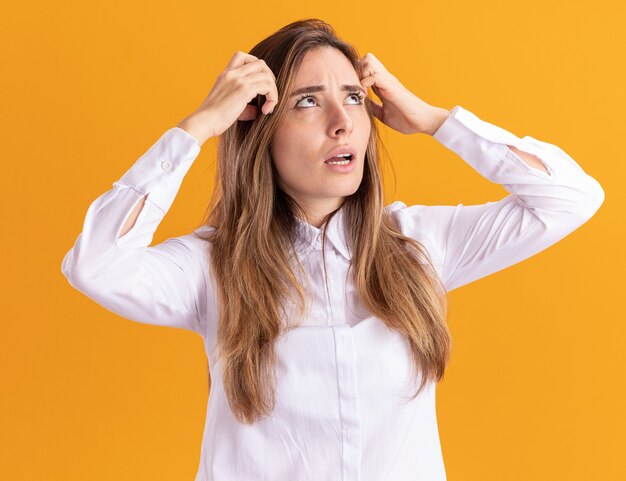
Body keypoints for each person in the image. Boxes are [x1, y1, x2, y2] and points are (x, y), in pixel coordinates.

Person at [61, 18, 604, 481]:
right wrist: (201, 124)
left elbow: (570, 198)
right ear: (261, 131)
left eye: (351, 97)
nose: (343, 122)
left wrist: (436, 121)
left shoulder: (418, 247)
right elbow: (96, 265)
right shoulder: (213, 267)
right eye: (307, 102)